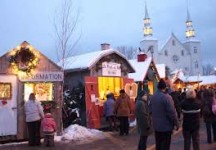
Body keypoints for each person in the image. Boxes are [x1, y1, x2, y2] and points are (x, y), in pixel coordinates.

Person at [149, 79, 179, 150]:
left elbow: (150, 110)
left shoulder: (153, 97)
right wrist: (176, 123)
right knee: (165, 146)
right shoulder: (167, 97)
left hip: (156, 126)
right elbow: (172, 113)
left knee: (158, 145)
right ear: (165, 87)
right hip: (166, 127)